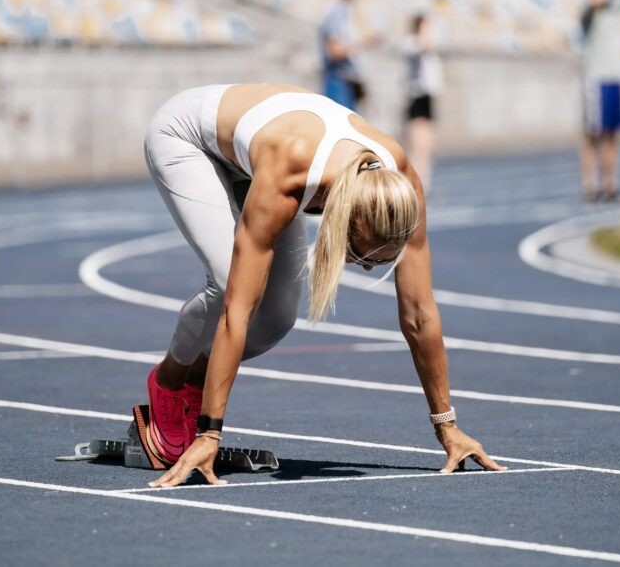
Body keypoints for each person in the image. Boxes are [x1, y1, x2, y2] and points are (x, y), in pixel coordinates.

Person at [142, 83, 503, 487]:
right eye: (364, 257)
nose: (366, 270)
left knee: (277, 318)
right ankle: (170, 382)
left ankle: (197, 381)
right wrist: (211, 433)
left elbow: (419, 314)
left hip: (262, 155)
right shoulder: (291, 176)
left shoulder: (401, 186)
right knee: (232, 283)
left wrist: (447, 427)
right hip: (188, 138)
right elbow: (237, 310)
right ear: (340, 220)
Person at [579, 0, 620, 202]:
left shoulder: (617, 9)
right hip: (597, 79)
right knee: (592, 136)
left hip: (616, 77)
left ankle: (610, 185)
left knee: (612, 136)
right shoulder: (589, 13)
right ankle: (590, 187)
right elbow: (594, 2)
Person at [319, 0, 379, 109]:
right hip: (338, 82)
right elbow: (335, 51)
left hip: (347, 83)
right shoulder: (335, 10)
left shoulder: (347, 11)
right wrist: (365, 41)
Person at [402, 13, 444, 194]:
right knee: (418, 147)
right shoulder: (411, 42)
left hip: (428, 98)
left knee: (428, 147)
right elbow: (419, 47)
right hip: (417, 98)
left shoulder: (428, 46)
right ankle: (413, 183)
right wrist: (425, 34)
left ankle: (424, 183)